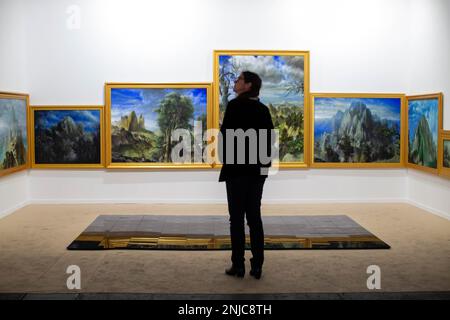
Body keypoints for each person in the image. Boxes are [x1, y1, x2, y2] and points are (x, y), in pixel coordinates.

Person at [218, 71, 274, 279]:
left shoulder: (234, 106)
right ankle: (257, 266)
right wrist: (263, 173)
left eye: (239, 79)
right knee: (254, 218)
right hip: (256, 174)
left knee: (236, 220)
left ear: (248, 85)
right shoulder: (263, 110)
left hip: (236, 172)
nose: (235, 82)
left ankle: (238, 266)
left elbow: (224, 139)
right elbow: (269, 144)